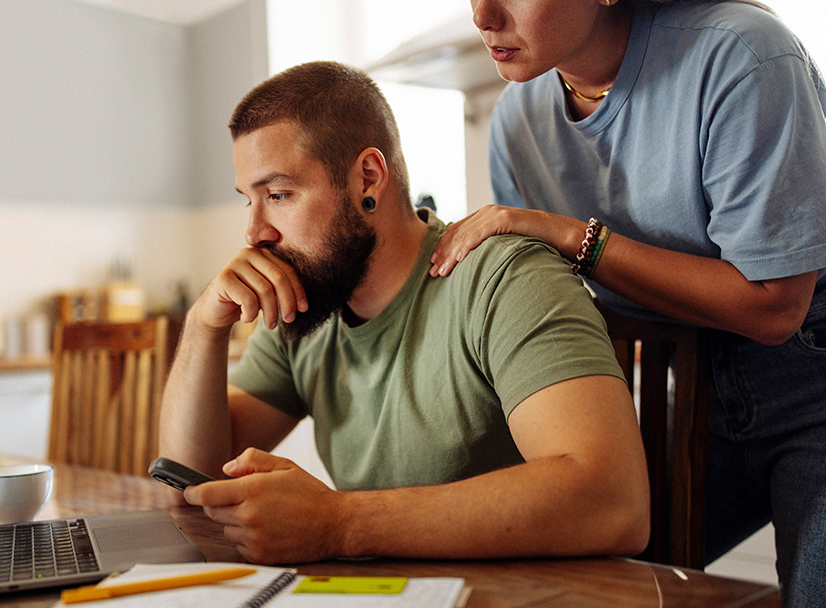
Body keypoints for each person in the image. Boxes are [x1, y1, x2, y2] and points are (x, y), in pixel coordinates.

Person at [158, 60, 650, 566]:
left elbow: (613, 501)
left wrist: (338, 523)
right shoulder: (306, 304)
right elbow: (193, 483)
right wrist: (202, 327)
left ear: (367, 179)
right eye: (250, 202)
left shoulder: (504, 277)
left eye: (279, 195)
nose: (255, 233)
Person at [429, 1, 826, 608]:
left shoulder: (743, 55)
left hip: (812, 379)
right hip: (690, 392)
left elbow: (775, 309)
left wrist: (570, 235)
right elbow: (554, 307)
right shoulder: (517, 119)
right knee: (568, 578)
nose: (483, 14)